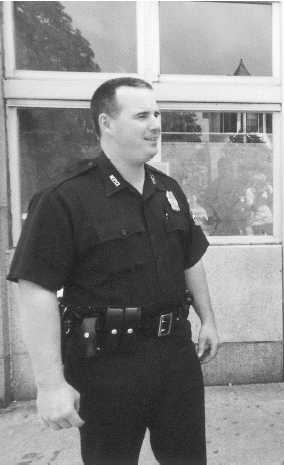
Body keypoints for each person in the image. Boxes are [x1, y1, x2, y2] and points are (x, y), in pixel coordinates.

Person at [7, 77, 220, 465]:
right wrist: (50, 384)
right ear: (107, 123)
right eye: (141, 115)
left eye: (157, 113)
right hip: (106, 363)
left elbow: (190, 258)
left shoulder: (168, 190)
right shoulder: (65, 197)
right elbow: (35, 288)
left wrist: (208, 319)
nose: (155, 123)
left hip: (174, 355)